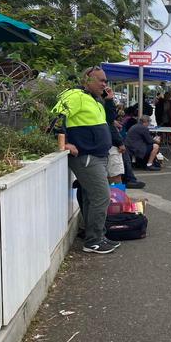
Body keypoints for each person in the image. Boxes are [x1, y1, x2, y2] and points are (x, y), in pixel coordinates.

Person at [51, 66, 119, 254]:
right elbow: (55, 119)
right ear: (87, 80)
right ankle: (94, 241)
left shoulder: (95, 100)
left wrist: (109, 101)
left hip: (97, 156)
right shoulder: (74, 96)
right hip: (87, 157)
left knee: (91, 198)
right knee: (101, 197)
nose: (104, 84)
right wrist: (63, 144)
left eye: (106, 81)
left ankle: (96, 236)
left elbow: (110, 120)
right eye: (101, 80)